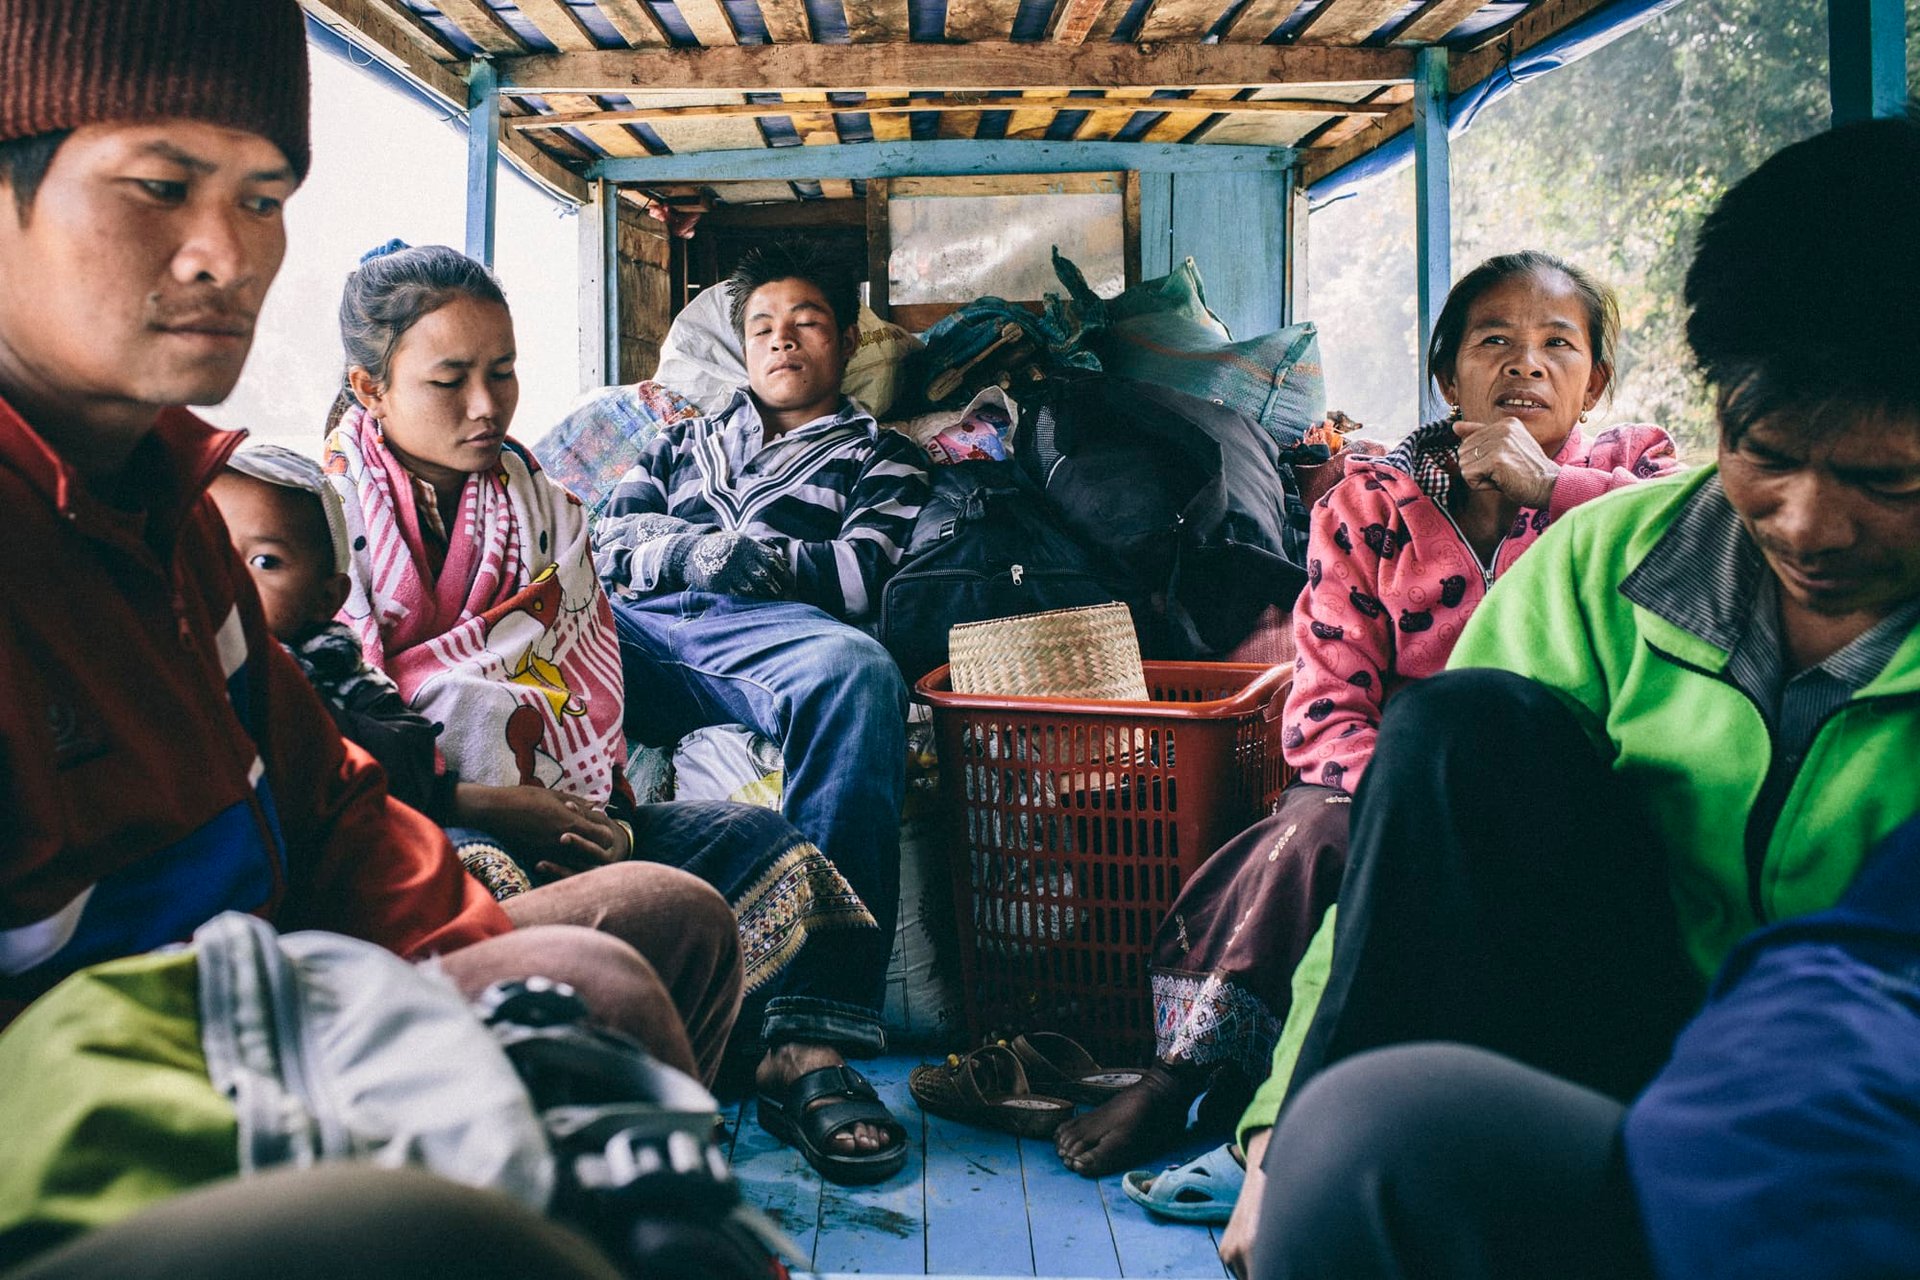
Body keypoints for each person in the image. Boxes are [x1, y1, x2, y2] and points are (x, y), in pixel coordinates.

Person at [0, 1, 731, 1270]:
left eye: (266, 197)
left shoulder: (172, 517)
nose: (224, 253)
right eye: (160, 187)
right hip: (81, 1117)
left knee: (622, 962)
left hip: (259, 1019)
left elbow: (334, 808)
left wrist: (502, 1015)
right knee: (446, 1229)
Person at [1244, 116, 1920, 1280]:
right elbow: (1406, 864)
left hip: (1868, 1135)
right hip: (1614, 1054)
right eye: (1766, 453)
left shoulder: (1577, 491)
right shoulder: (1599, 563)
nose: (1810, 524)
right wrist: (1273, 1140)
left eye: (1885, 478)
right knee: (1455, 730)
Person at [1060, 252, 1678, 1183]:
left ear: (1594, 381)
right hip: (1385, 776)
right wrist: (1410, 805)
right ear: (1447, 374)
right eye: (1494, 342)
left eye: (1559, 345)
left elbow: (1707, 536)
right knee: (1309, 832)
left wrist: (1549, 488)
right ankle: (1183, 1073)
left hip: (1573, 783)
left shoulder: (1632, 472)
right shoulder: (1370, 501)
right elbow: (1322, 707)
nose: (1526, 366)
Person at [318, 242, 898, 1174]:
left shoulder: (546, 508)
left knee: (764, 841)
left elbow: (583, 681)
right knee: (485, 873)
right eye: (449, 380)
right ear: (371, 389)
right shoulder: (316, 514)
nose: (486, 407)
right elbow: (328, 719)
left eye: (503, 374)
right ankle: (590, 1057)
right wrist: (482, 800)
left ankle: (799, 1045)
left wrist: (613, 824)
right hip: (438, 812)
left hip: (635, 730)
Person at [596, 241, 930, 1181]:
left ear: (847, 338)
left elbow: (865, 572)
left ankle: (806, 1040)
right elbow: (609, 538)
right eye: (763, 329)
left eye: (807, 324)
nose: (783, 342)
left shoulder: (883, 455)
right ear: (742, 347)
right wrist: (691, 556)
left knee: (858, 672)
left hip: (769, 637)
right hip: (641, 625)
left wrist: (763, 563)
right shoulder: (677, 441)